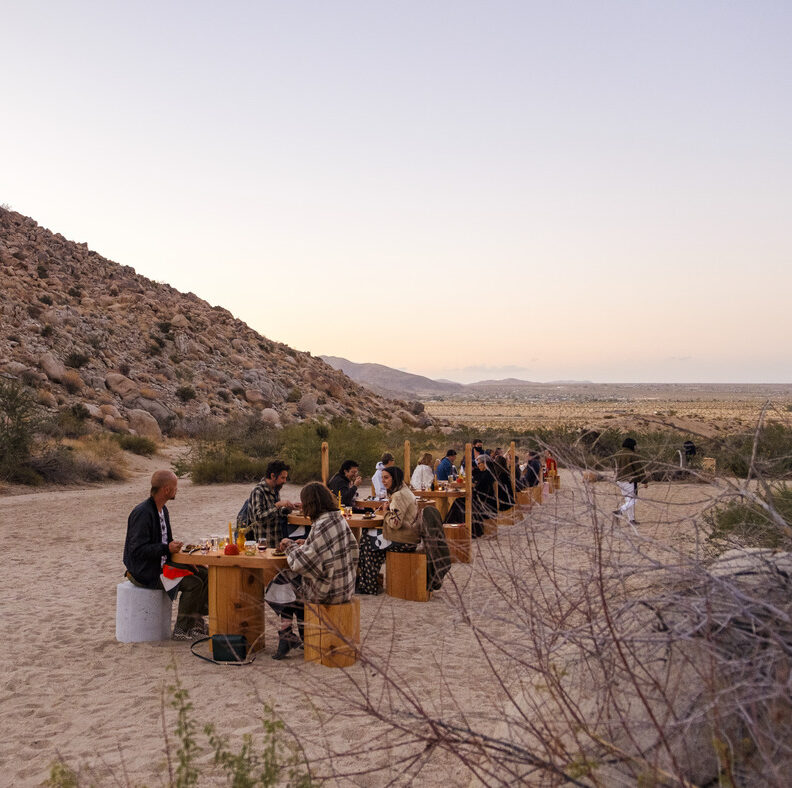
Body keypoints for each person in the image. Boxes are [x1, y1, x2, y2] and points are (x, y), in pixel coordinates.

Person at [266, 483, 359, 660]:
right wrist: (307, 543)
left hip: (330, 591)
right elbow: (347, 550)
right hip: (345, 585)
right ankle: (291, 635)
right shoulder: (337, 518)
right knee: (292, 586)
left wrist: (289, 545)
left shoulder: (322, 524)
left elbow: (303, 563)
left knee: (282, 581)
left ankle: (286, 634)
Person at [123, 470, 208, 641]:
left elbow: (165, 546)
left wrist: (184, 562)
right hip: (146, 572)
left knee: (203, 572)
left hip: (162, 565)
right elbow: (137, 551)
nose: (177, 490)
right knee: (194, 584)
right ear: (167, 490)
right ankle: (181, 630)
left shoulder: (163, 510)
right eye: (175, 487)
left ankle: (196, 623)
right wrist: (167, 548)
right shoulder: (143, 513)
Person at [357, 466, 419, 594]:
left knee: (367, 541)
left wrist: (385, 512)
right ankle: (369, 582)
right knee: (370, 537)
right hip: (410, 537)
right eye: (382, 478)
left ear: (394, 478)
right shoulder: (404, 490)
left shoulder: (399, 495)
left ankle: (369, 586)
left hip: (404, 540)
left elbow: (395, 523)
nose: (383, 481)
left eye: (386, 478)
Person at [244, 460, 301, 547]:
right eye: (282, 478)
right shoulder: (258, 491)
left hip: (277, 542)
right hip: (264, 545)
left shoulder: (275, 490)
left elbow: (277, 514)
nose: (285, 481)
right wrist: (278, 505)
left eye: (286, 478)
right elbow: (258, 518)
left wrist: (290, 508)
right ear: (273, 476)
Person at [613, 438, 648, 526]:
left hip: (619, 480)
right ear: (632, 445)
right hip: (630, 481)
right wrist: (644, 481)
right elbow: (639, 469)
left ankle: (631, 520)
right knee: (634, 500)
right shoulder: (632, 455)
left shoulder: (617, 454)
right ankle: (620, 511)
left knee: (628, 500)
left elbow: (614, 467)